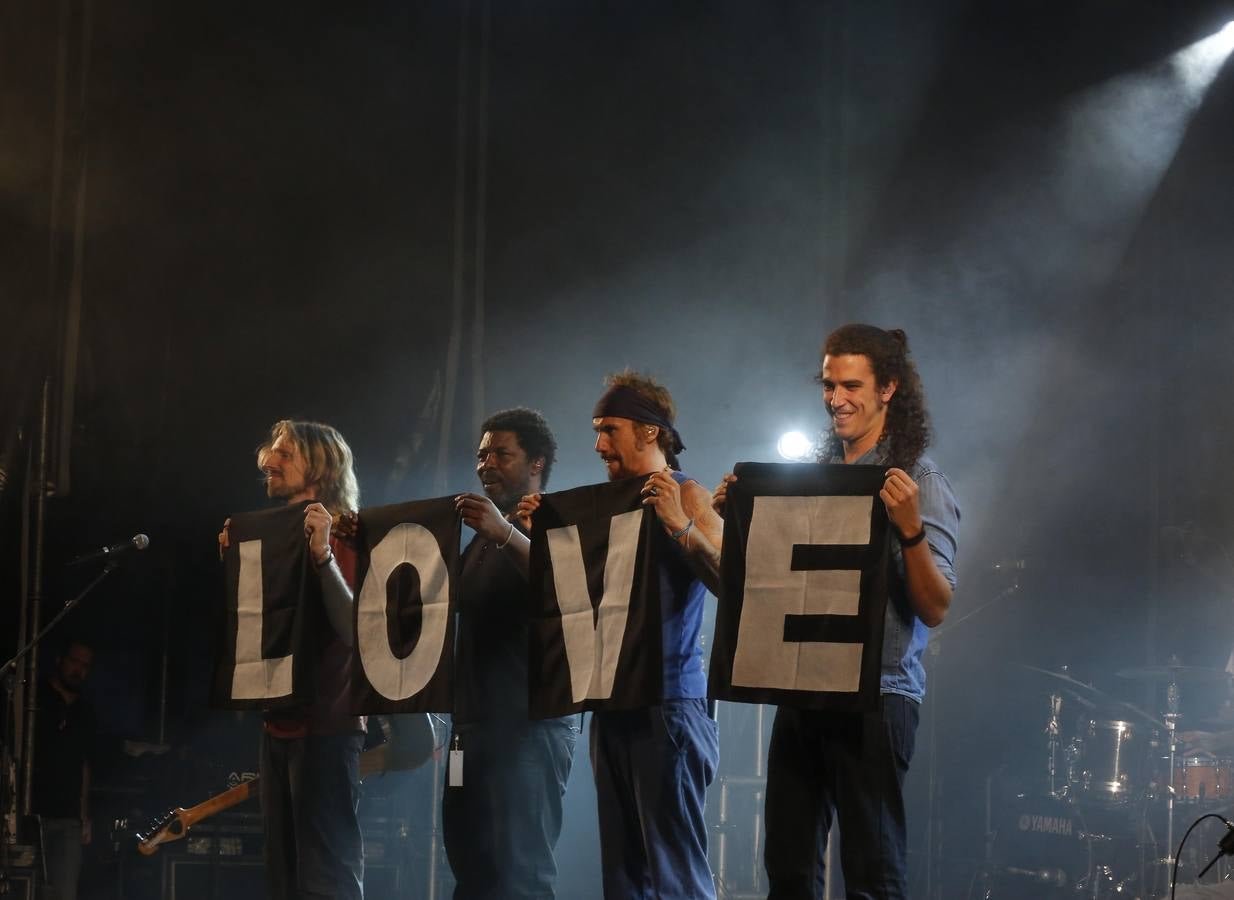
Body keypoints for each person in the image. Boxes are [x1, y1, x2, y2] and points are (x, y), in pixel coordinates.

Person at [716, 324, 959, 900]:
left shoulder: (917, 479)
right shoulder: (809, 481)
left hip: (877, 697)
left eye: (851, 385)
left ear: (888, 389)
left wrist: (912, 531)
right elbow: (767, 588)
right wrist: (735, 522)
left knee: (872, 877)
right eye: (828, 385)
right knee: (789, 872)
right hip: (804, 690)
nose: (836, 398)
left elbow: (937, 606)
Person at [523, 370, 724, 899]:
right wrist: (538, 540)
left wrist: (680, 525)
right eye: (597, 430)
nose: (598, 444)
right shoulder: (603, 505)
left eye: (610, 429)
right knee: (625, 877)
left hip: (669, 703)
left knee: (674, 870)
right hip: (613, 703)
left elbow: (736, 582)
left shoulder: (688, 491)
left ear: (650, 431)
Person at [219, 419, 365, 900]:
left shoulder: (343, 531)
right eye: (271, 451)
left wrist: (323, 555)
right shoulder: (274, 534)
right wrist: (236, 564)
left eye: (285, 453)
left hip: (326, 728)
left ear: (321, 467)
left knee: (326, 878)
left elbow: (352, 628)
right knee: (284, 880)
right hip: (278, 725)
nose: (269, 461)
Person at [445, 407, 579, 899]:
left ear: (537, 462)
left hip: (529, 730)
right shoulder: (482, 536)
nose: (487, 464)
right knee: (470, 865)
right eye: (482, 454)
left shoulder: (554, 520)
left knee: (521, 872)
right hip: (469, 732)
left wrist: (506, 534)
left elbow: (565, 587)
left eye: (502, 453)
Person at [30, 639, 95, 900]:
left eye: (85, 665)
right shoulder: (35, 698)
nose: (78, 670)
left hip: (68, 817)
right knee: (28, 887)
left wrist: (84, 815)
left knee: (64, 892)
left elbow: (85, 765)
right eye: (74, 661)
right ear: (60, 660)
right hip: (31, 813)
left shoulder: (85, 712)